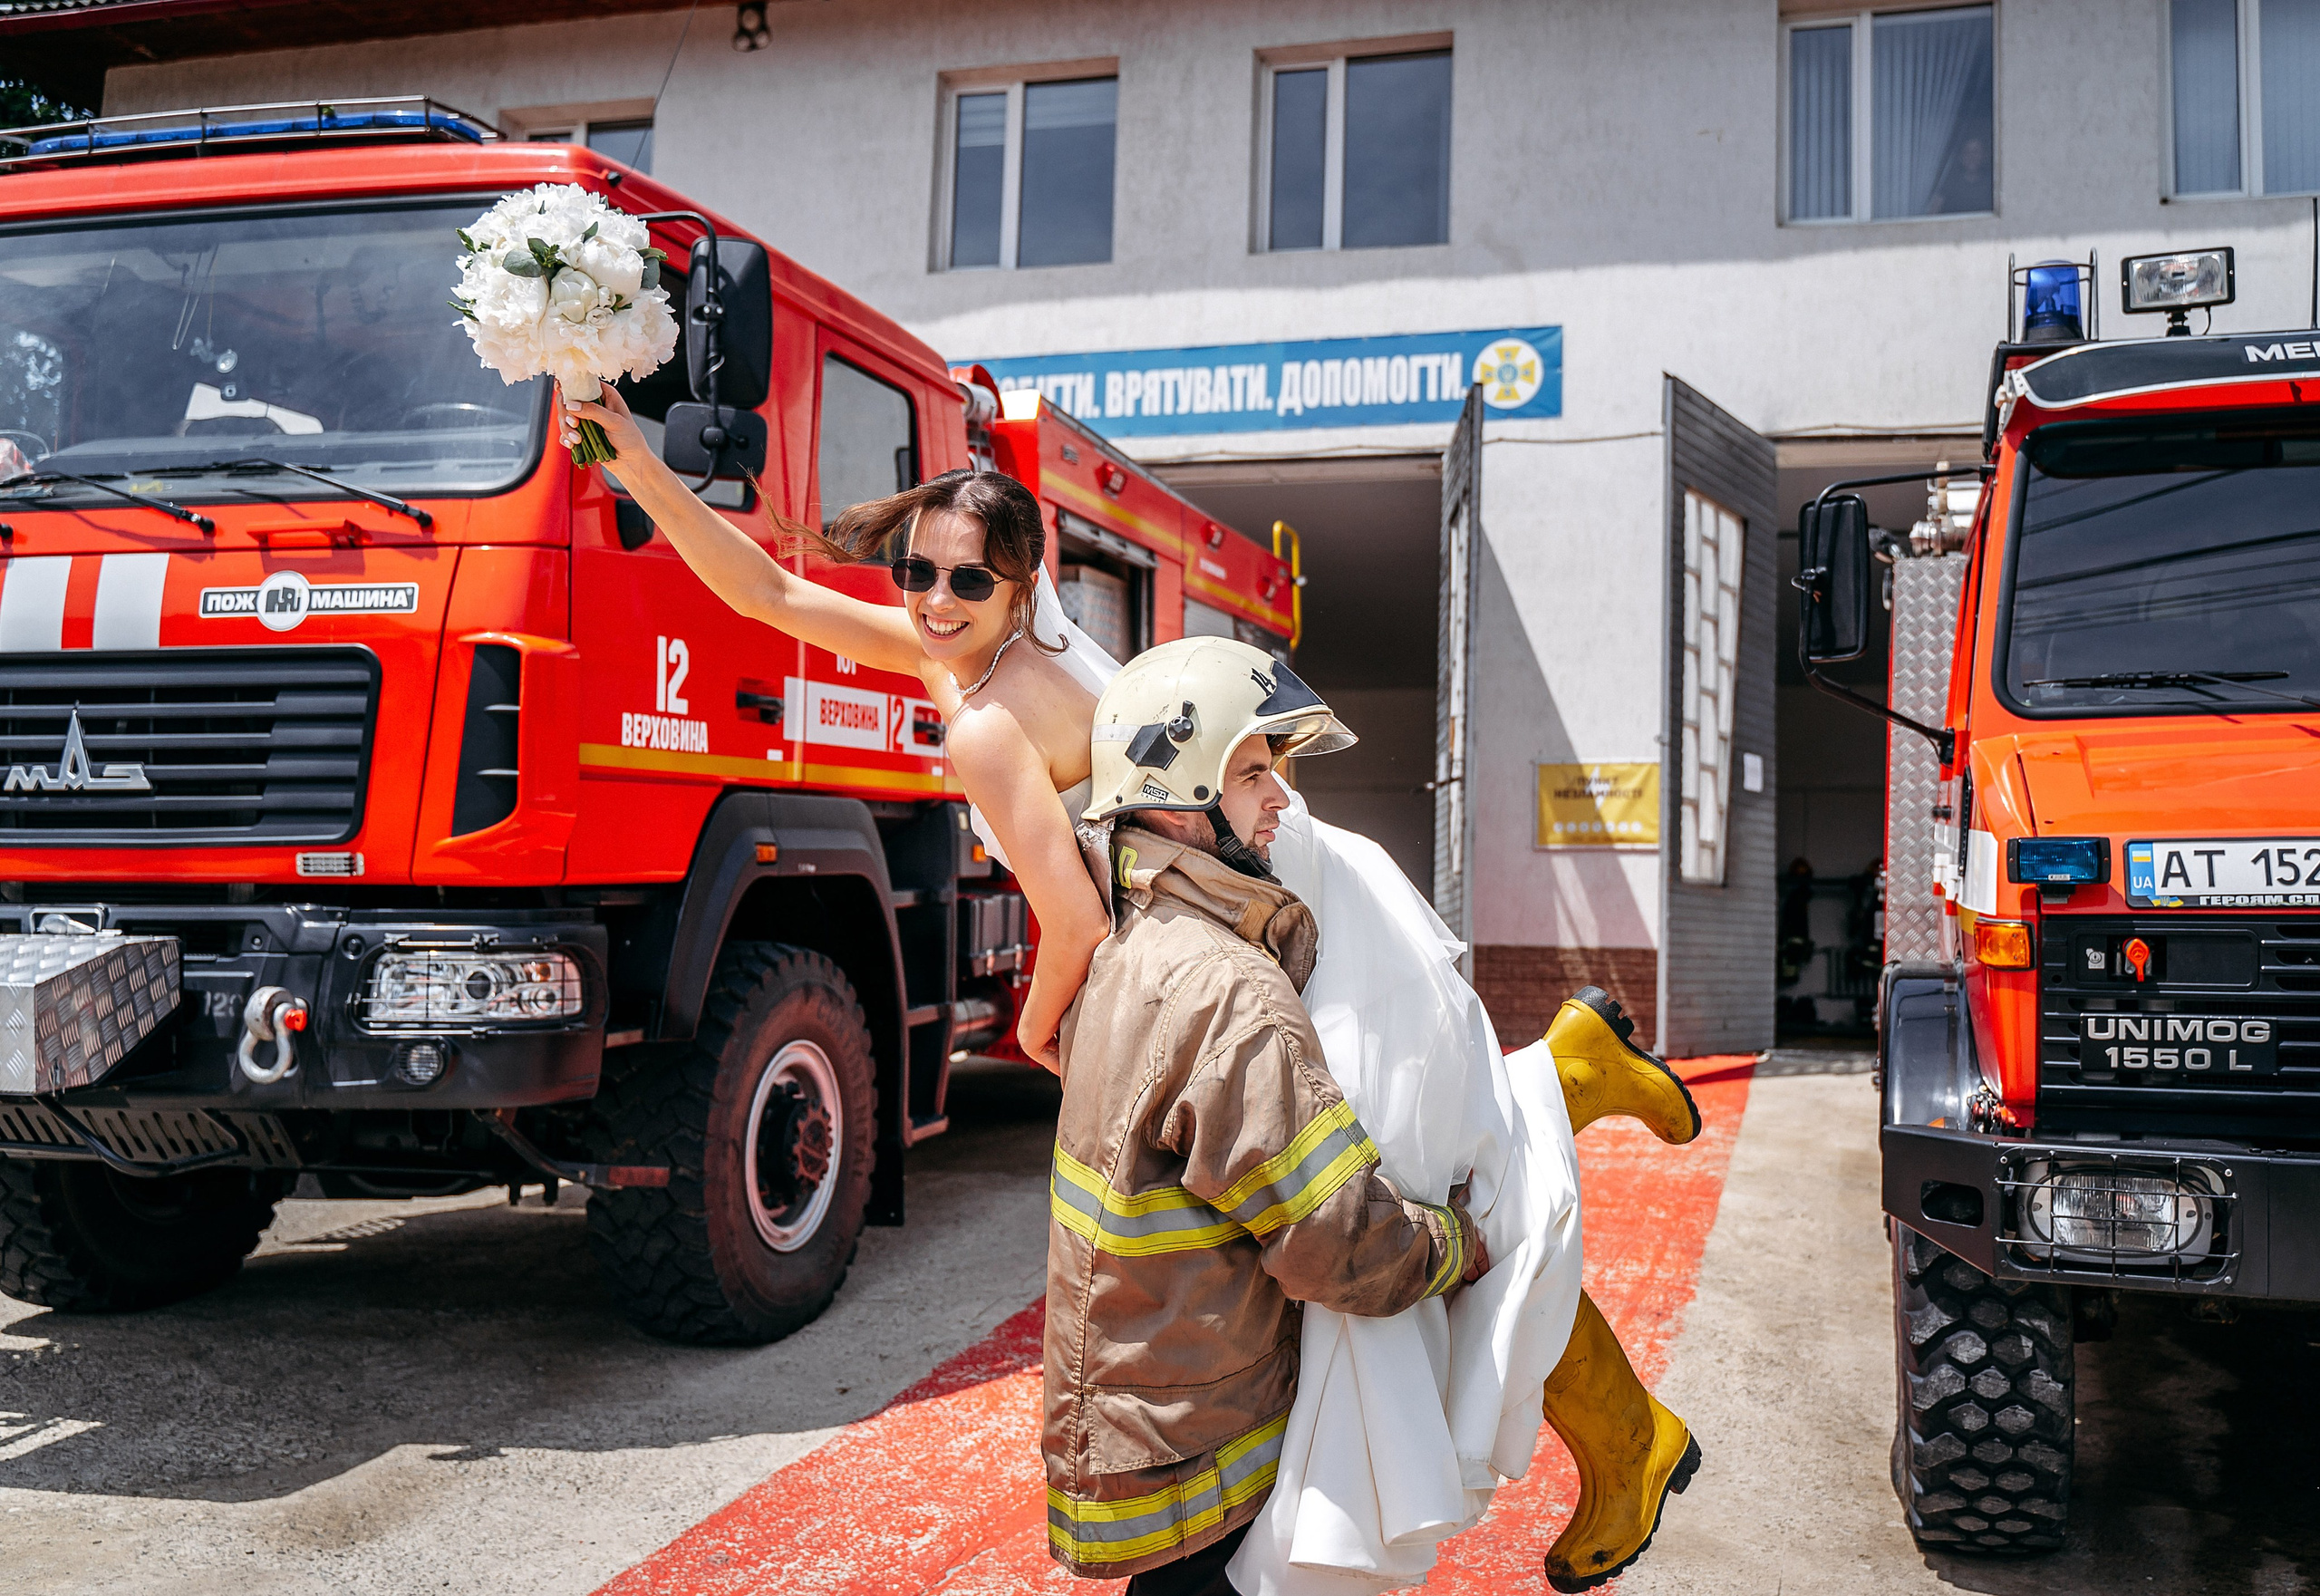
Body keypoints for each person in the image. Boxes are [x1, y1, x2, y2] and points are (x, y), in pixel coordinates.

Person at [556, 388, 1702, 1591]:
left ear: (1021, 585)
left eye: (966, 580)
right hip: (1283, 884)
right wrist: (628, 452)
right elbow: (770, 594)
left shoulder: (985, 723)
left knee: (1414, 1216)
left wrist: (1040, 1030)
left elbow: (1079, 922)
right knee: (1437, 1174)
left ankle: (1618, 1397)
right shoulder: (996, 653)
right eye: (916, 573)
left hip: (1264, 920)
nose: (932, 602)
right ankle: (1571, 1087)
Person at [1049, 639, 1486, 1594]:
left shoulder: (1129, 940)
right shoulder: (1230, 991)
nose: (1280, 798)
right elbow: (1338, 1243)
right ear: (1177, 792)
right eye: (1251, 773)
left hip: (1145, 1409)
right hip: (1205, 1442)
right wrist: (1457, 1244)